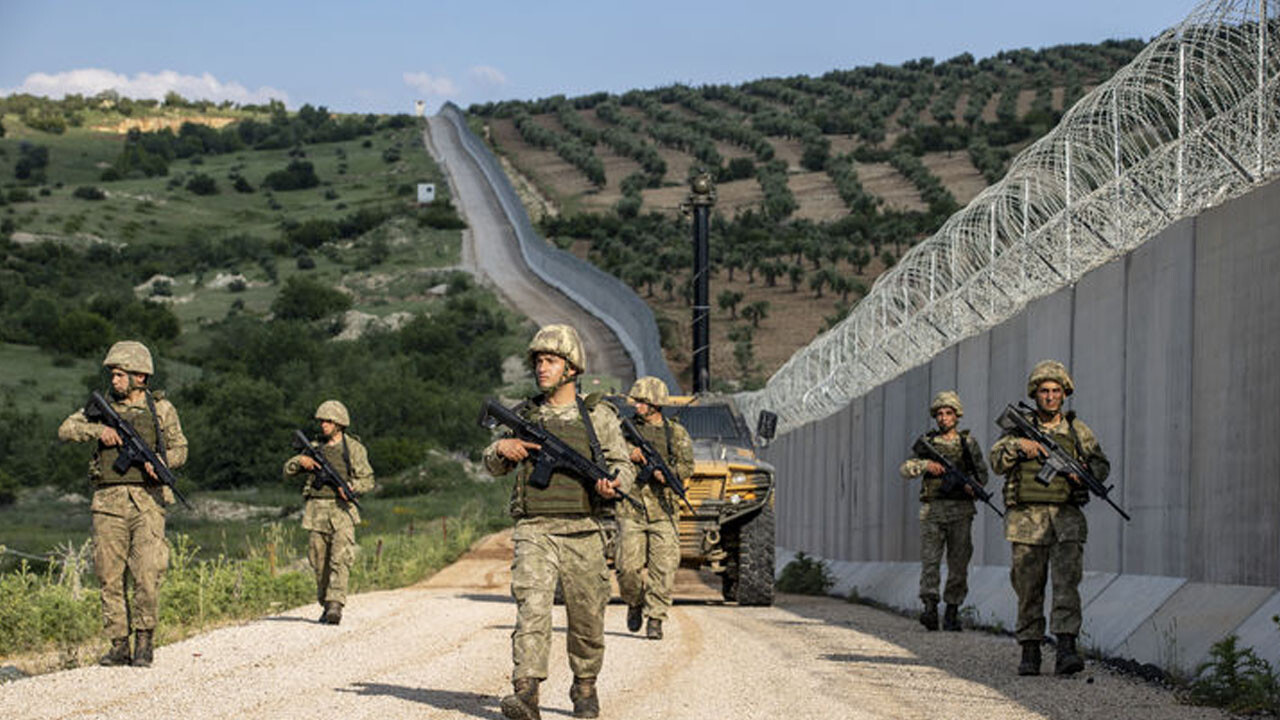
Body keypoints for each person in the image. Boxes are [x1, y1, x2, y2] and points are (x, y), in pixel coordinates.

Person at [483, 324, 635, 720]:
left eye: (550, 361)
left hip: (585, 530)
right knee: (532, 608)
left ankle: (584, 686)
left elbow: (621, 465)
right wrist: (503, 448)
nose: (541, 368)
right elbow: (492, 462)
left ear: (571, 368)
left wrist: (614, 484)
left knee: (587, 616)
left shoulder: (598, 416)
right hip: (535, 529)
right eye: (537, 362)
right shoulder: (526, 414)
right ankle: (526, 692)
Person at [58, 340, 187, 668]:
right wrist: (97, 430)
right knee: (109, 574)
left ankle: (144, 641)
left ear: (140, 377)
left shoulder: (161, 410)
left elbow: (180, 450)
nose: (114, 381)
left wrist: (160, 461)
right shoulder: (101, 408)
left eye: (119, 375)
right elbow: (66, 429)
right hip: (108, 503)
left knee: (147, 572)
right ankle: (119, 644)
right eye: (112, 375)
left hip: (148, 501)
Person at [990, 360, 1110, 676]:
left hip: (1066, 520)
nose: (1050, 396)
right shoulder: (1017, 430)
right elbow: (996, 462)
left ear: (1064, 394)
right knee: (1029, 587)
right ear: (1035, 394)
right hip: (1026, 521)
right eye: (1044, 391)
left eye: (1056, 391)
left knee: (1067, 585)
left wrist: (1083, 475)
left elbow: (1101, 466)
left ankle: (1066, 649)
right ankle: (1030, 651)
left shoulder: (1076, 430)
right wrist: (1020, 446)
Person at [899, 390, 988, 632]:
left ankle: (952, 611)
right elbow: (905, 468)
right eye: (939, 414)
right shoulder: (928, 443)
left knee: (959, 563)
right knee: (930, 561)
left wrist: (972, 486)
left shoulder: (967, 444)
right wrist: (925, 465)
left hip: (961, 511)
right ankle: (929, 608)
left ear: (957, 415)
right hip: (933, 510)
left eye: (948, 413)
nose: (943, 418)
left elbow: (983, 476)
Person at [283, 400, 375, 626]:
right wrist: (300, 461)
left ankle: (335, 605)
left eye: (328, 421)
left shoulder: (353, 448)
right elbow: (287, 470)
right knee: (318, 560)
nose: (323, 425)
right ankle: (326, 602)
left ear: (339, 424)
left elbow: (368, 479)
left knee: (340, 558)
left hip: (342, 510)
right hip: (316, 511)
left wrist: (353, 488)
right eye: (322, 421)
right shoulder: (314, 447)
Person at [616, 376, 694, 641]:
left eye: (641, 402)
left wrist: (667, 475)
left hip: (664, 511)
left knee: (663, 569)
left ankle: (656, 618)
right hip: (632, 507)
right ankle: (635, 602)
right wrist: (631, 453)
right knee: (627, 568)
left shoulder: (676, 433)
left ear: (655, 404)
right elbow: (608, 451)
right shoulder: (624, 430)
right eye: (636, 401)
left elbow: (687, 467)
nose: (636, 406)